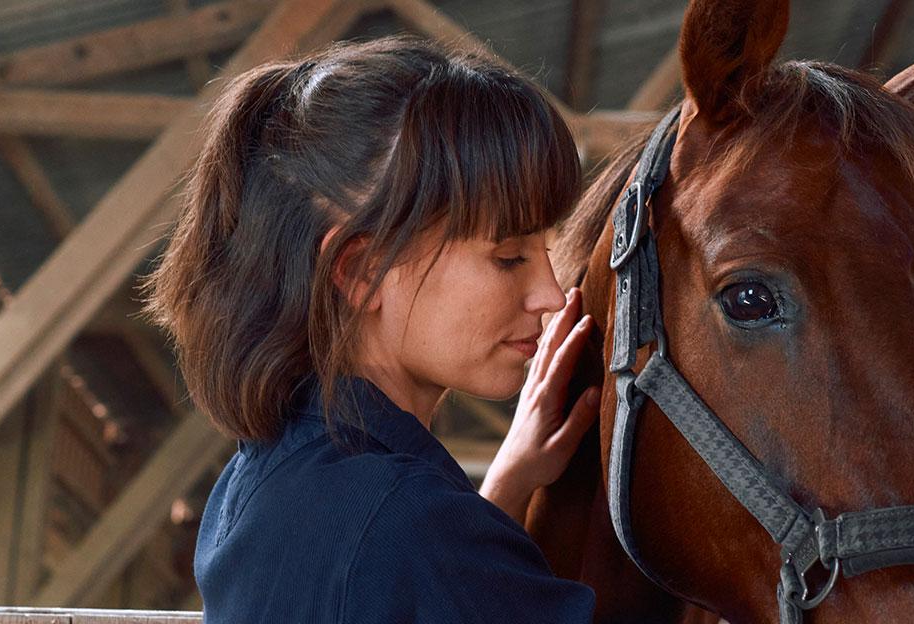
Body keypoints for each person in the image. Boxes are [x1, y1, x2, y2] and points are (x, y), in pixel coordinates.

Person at [143, 36, 600, 622]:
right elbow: (407, 552)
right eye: (509, 256)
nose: (552, 296)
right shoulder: (404, 520)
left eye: (546, 249)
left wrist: (506, 488)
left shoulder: (260, 483)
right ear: (361, 270)